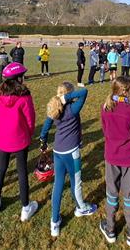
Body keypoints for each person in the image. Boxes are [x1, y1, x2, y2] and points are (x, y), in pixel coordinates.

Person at [40, 83, 97, 237]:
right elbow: (84, 91)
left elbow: (45, 128)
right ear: (68, 95)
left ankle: (54, 221)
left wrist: (43, 141)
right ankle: (81, 208)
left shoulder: (54, 108)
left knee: (58, 184)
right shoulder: (72, 109)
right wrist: (66, 98)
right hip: (71, 152)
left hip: (57, 150)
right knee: (76, 181)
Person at [99, 77, 130, 247]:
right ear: (126, 91)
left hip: (112, 156)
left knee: (112, 191)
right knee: (129, 193)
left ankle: (111, 228)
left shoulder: (106, 108)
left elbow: (105, 130)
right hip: (128, 157)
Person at [0, 62, 38, 221]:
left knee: (1, 168)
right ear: (18, 78)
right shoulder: (24, 97)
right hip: (20, 139)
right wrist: (29, 134)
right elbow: (30, 119)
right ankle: (25, 207)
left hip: (4, 139)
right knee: (21, 170)